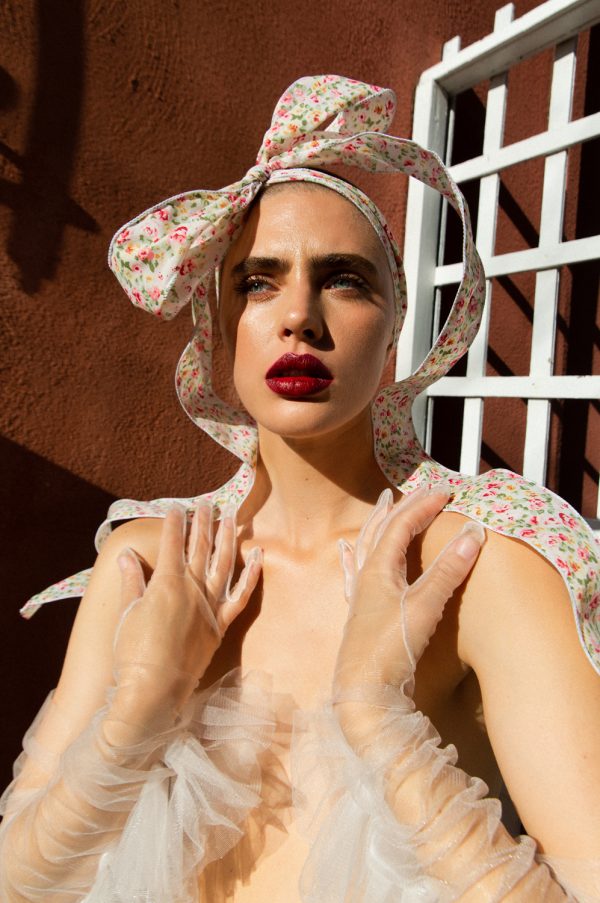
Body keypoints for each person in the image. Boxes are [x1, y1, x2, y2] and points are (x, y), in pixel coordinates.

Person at [0, 75, 598, 902]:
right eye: (258, 281)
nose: (299, 317)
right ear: (221, 325)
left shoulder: (476, 558)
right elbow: (18, 884)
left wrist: (380, 718)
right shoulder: (149, 562)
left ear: (395, 324)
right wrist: (135, 712)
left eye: (344, 278)